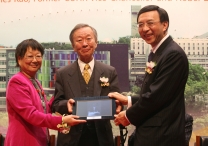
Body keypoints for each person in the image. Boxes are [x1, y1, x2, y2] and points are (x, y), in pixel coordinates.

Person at [108, 5, 189, 146]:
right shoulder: (157, 52)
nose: (145, 29)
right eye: (140, 25)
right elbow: (157, 93)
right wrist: (128, 99)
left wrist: (128, 115)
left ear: (165, 25)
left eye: (150, 23)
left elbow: (156, 97)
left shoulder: (172, 54)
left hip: (162, 137)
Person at [5, 39, 86, 146]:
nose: (35, 60)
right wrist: (62, 120)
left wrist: (62, 90)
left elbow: (45, 109)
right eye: (30, 56)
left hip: (39, 140)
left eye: (38, 56)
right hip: (24, 141)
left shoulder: (35, 82)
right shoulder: (17, 82)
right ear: (19, 59)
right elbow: (32, 115)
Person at [51, 23, 120, 146]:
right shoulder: (63, 73)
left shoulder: (110, 71)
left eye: (89, 39)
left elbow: (117, 102)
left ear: (96, 42)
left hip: (101, 138)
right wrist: (66, 105)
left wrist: (117, 106)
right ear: (73, 46)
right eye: (79, 40)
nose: (84, 44)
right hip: (71, 137)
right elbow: (56, 104)